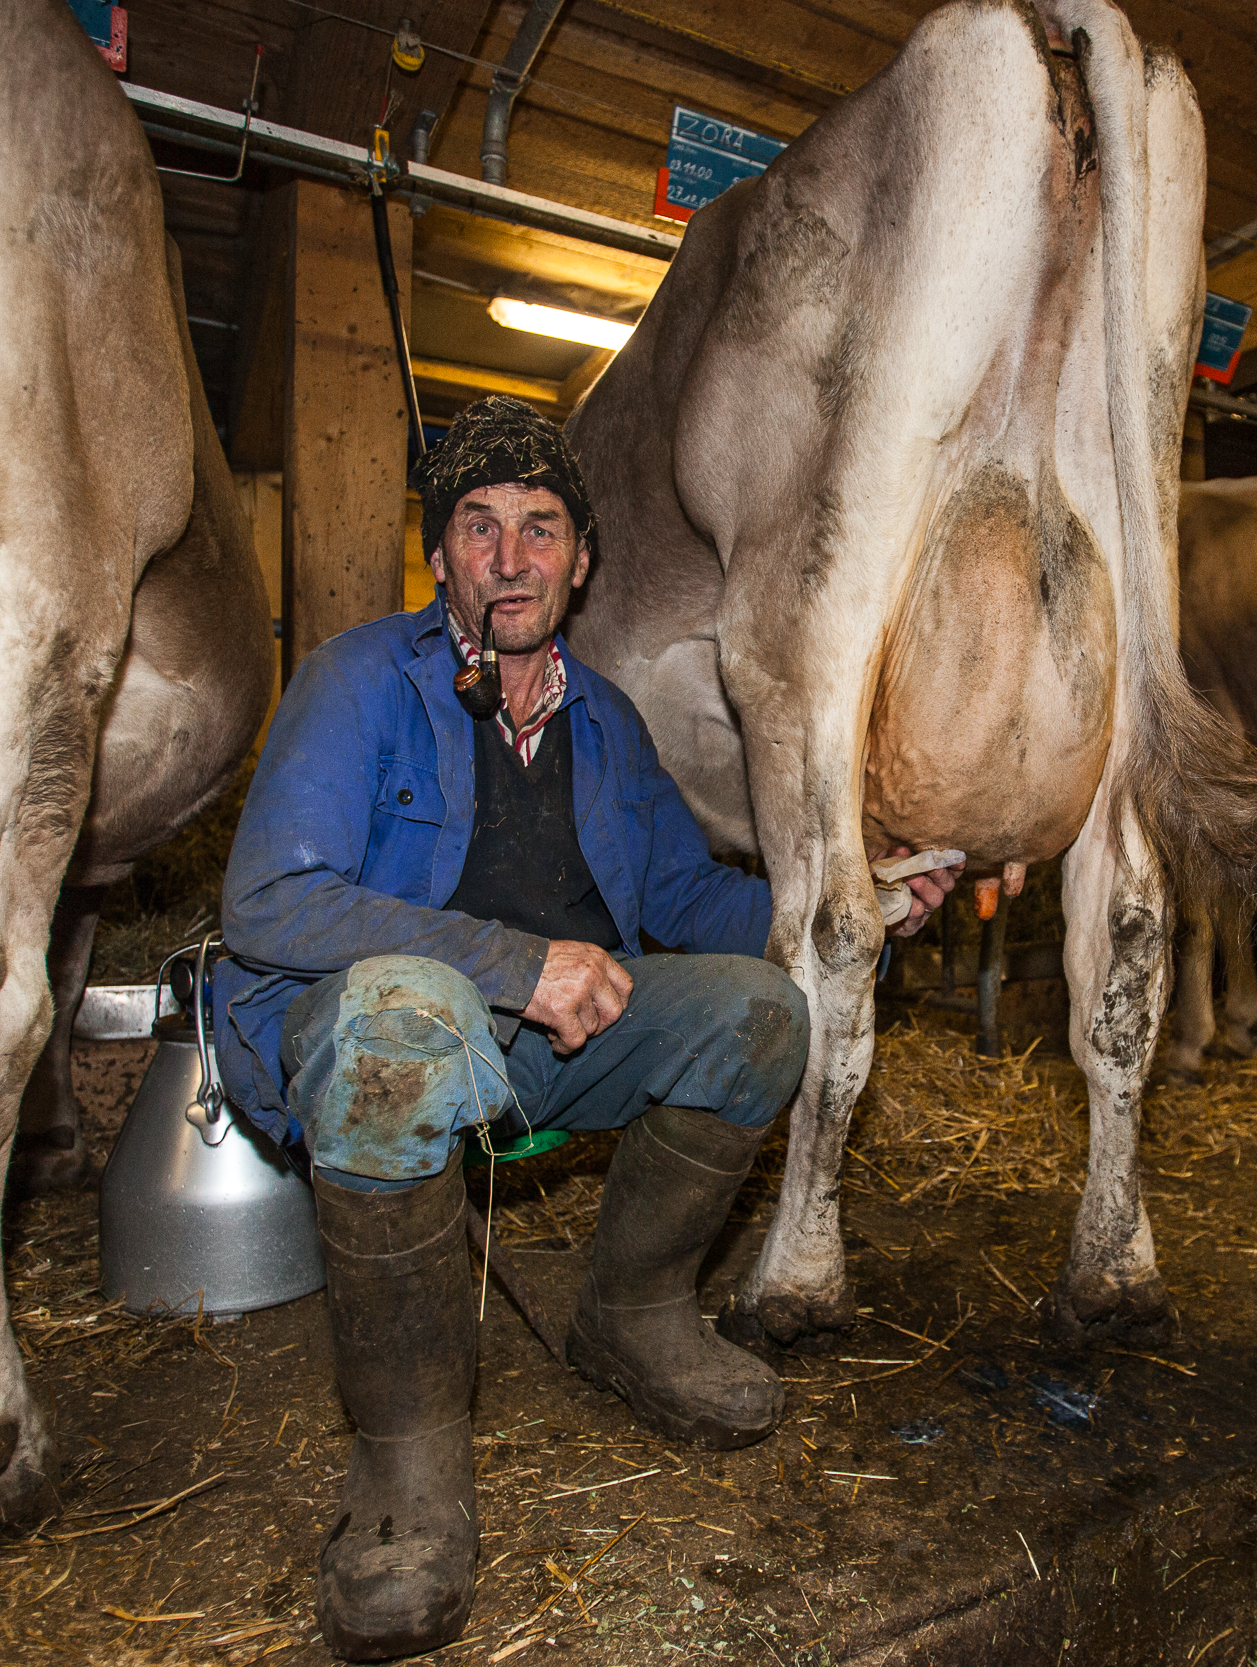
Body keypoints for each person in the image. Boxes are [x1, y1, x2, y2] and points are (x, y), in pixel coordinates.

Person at [210, 397, 957, 1661]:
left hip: (549, 1037)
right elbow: (269, 897)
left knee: (762, 1013)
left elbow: (688, 900)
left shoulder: (603, 719)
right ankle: (406, 1459)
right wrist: (514, 962)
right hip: (390, 1037)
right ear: (439, 552)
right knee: (408, 1021)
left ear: (581, 556)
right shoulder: (356, 680)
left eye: (540, 527)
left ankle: (637, 1308)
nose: (511, 556)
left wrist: (859, 898)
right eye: (479, 526)